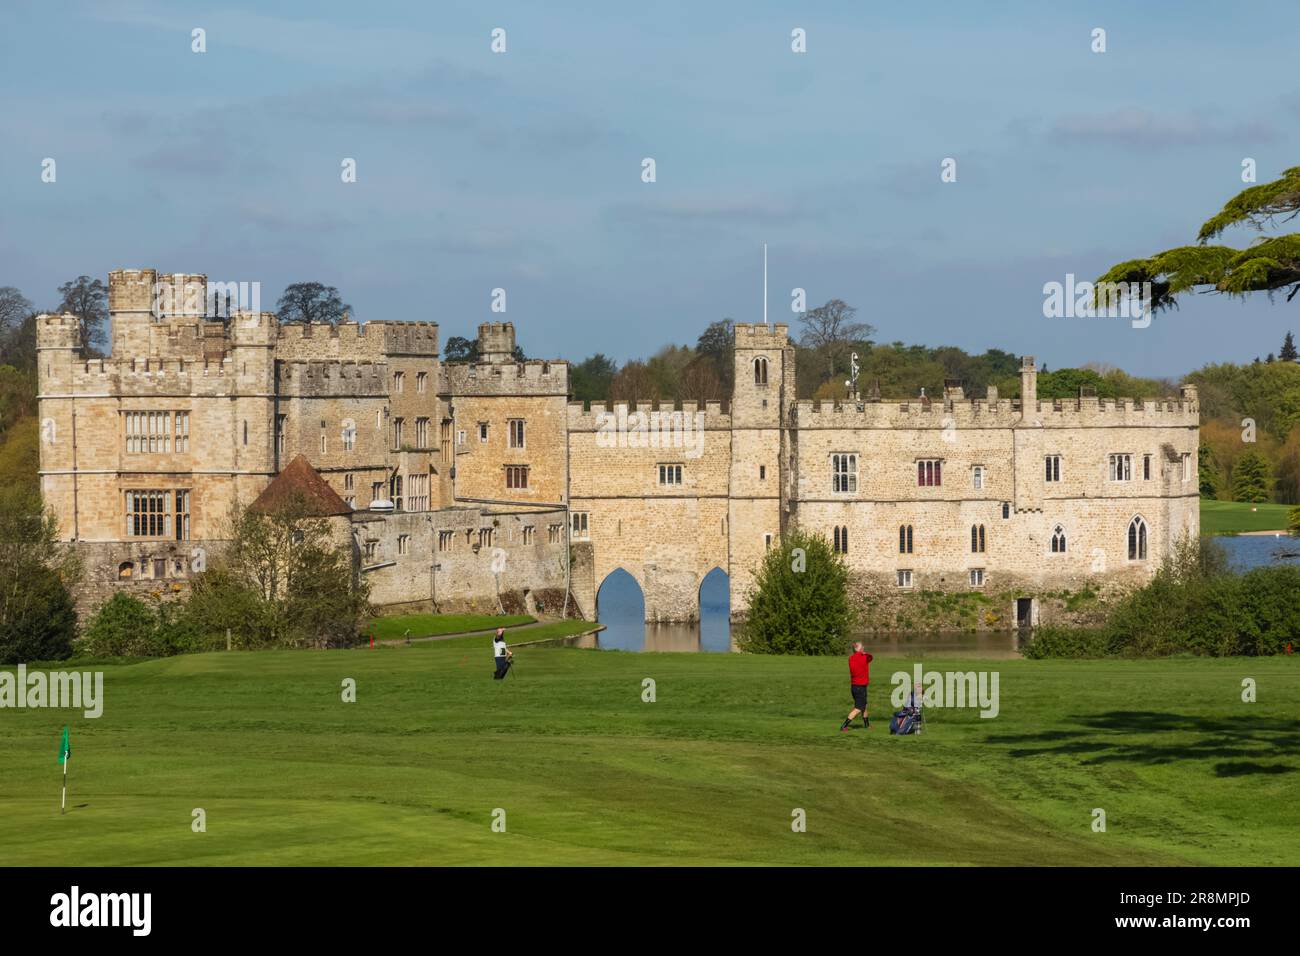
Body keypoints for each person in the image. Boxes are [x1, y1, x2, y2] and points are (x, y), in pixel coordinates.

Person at [840, 641, 873, 731]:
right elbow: (870, 657)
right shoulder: (864, 657)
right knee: (858, 708)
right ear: (858, 648)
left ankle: (867, 725)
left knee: (864, 705)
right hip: (860, 687)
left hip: (854, 687)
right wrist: (863, 653)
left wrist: (861, 652)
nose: (863, 648)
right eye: (862, 647)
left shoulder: (851, 658)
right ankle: (844, 726)